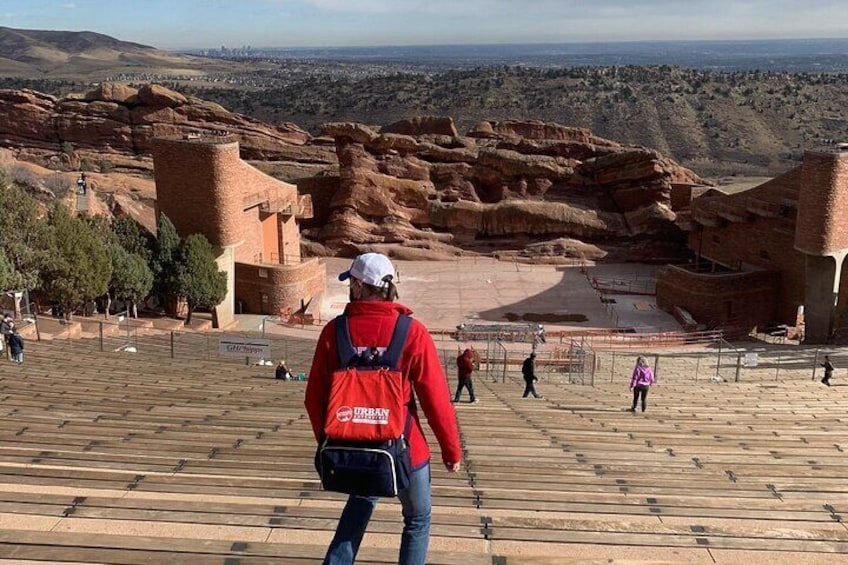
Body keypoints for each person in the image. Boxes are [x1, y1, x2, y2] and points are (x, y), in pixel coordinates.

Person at [305, 252, 462, 565]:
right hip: (404, 449)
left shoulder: (334, 332)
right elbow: (435, 399)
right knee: (417, 520)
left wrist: (334, 440)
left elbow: (314, 399)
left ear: (362, 287)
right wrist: (451, 452)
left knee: (358, 509)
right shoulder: (413, 332)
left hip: (354, 446)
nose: (350, 287)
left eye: (352, 282)